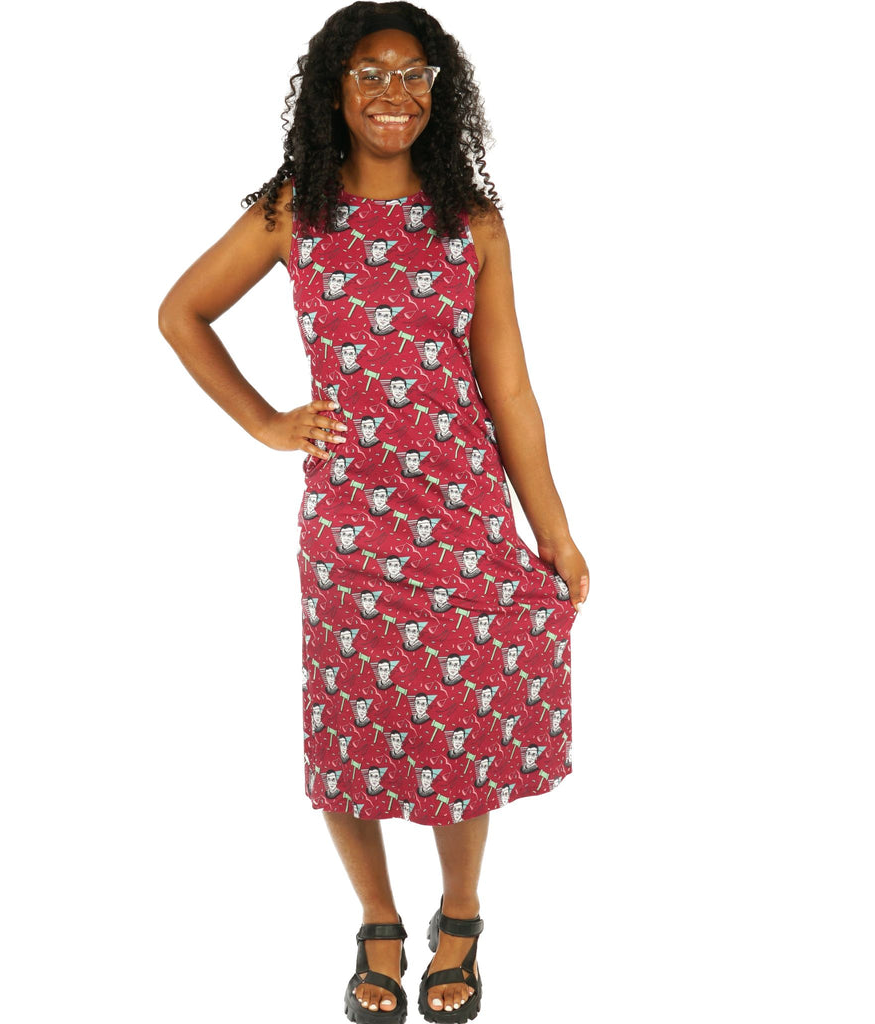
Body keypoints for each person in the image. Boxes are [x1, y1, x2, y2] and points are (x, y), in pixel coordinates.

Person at [157, 3, 589, 1021]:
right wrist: (266, 421)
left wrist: (554, 531)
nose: (393, 92)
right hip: (349, 526)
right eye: (370, 73)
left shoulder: (471, 221)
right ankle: (379, 922)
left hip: (464, 520)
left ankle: (461, 913)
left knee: (460, 724)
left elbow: (510, 391)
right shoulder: (293, 211)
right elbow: (181, 313)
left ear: (439, 92)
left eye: (413, 74)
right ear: (334, 90)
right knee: (348, 729)